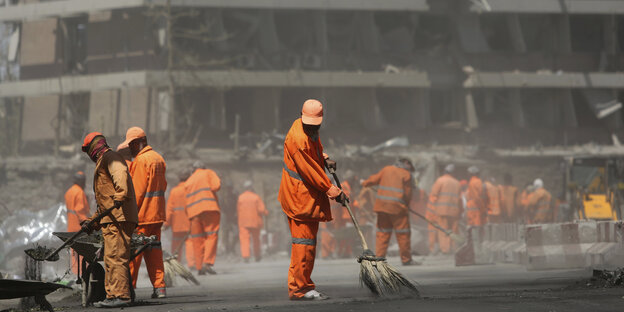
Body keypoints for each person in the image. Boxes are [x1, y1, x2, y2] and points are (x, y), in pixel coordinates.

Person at [278, 99, 345, 300]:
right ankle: (301, 289)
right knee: (303, 245)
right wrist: (334, 191)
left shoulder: (307, 129)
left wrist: (324, 157)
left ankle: (299, 286)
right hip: (299, 198)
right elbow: (311, 172)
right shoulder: (298, 138)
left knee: (306, 244)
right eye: (309, 123)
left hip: (305, 197)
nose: (312, 126)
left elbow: (313, 150)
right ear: (301, 115)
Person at [80, 132, 138, 308]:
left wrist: (121, 195)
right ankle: (113, 295)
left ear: (94, 147)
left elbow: (120, 173)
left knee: (116, 256)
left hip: (119, 217)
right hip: (112, 218)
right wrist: (92, 222)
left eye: (88, 150)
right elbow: (105, 204)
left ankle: (120, 295)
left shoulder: (111, 157)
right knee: (111, 258)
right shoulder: (102, 162)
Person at [125, 127, 168, 299]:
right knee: (154, 252)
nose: (130, 149)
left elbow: (138, 192)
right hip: (157, 215)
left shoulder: (142, 161)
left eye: (131, 145)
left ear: (137, 143)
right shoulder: (158, 158)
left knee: (134, 254)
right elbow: (163, 186)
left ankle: (128, 289)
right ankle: (160, 288)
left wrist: (128, 215)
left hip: (142, 216)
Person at [362, 158, 416, 266]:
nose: (410, 169)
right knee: (403, 234)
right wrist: (407, 205)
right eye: (410, 166)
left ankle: (380, 259)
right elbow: (408, 194)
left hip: (382, 208)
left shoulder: (386, 169)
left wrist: (364, 183)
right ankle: (406, 260)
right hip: (398, 209)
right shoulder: (406, 174)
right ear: (406, 163)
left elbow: (372, 180)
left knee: (383, 233)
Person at [185, 161, 221, 275]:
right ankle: (207, 263)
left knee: (197, 239)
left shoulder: (188, 181)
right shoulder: (208, 172)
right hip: (209, 208)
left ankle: (199, 267)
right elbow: (216, 186)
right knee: (211, 235)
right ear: (203, 167)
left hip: (193, 214)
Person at [428, 164, 461, 254]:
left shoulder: (440, 180)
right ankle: (454, 249)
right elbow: (460, 200)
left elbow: (433, 196)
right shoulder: (457, 183)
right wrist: (460, 212)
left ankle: (445, 249)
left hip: (442, 211)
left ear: (445, 171)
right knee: (453, 231)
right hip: (454, 212)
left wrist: (432, 211)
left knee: (443, 231)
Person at [164, 169, 194, 268]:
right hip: (190, 222)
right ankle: (192, 263)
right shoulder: (191, 190)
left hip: (177, 224)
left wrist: (167, 223)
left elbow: (170, 209)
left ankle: (176, 264)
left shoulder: (174, 191)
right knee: (190, 243)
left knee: (176, 244)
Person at [65, 171, 90, 274]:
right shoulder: (79, 192)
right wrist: (86, 223)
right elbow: (79, 210)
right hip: (79, 226)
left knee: (74, 252)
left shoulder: (69, 191)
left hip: (71, 226)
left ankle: (76, 273)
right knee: (82, 251)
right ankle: (82, 273)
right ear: (81, 181)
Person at [237, 180, 269, 262]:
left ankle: (246, 256)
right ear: (251, 188)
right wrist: (266, 212)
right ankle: (257, 255)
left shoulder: (241, 198)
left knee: (244, 239)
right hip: (255, 222)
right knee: (256, 239)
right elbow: (261, 209)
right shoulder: (256, 197)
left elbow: (238, 210)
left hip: (243, 222)